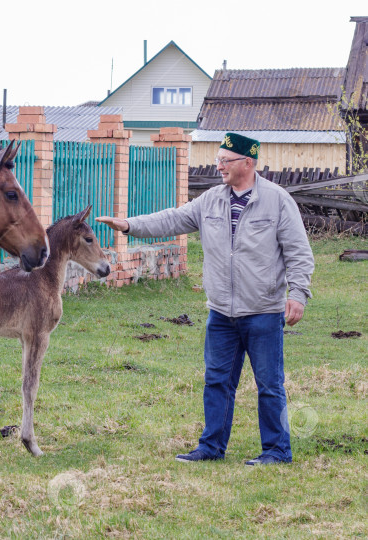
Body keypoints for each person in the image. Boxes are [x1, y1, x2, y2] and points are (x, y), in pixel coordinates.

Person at [96, 133, 314, 465]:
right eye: (218, 159)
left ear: (248, 162)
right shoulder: (210, 200)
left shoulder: (278, 201)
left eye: (225, 160)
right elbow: (171, 218)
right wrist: (129, 225)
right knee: (217, 381)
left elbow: (299, 253)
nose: (218, 166)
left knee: (269, 384)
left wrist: (297, 295)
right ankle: (211, 447)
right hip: (222, 314)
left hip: (263, 311)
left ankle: (276, 451)